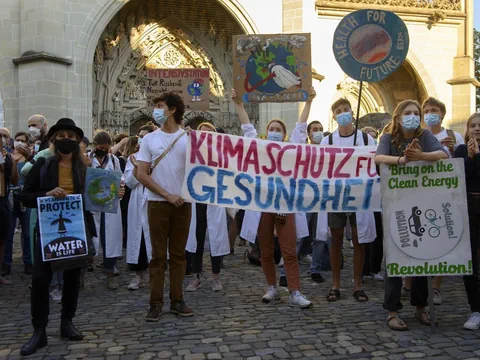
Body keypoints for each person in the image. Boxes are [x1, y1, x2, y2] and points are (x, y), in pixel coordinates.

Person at [233, 88, 313, 309]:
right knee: (266, 250)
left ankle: (295, 291)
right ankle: (272, 287)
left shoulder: (290, 149)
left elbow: (301, 128)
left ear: (284, 135)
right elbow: (247, 129)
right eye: (272, 129)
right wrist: (239, 104)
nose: (275, 132)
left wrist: (309, 102)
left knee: (288, 250)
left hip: (285, 206)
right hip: (262, 206)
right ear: (266, 132)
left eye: (279, 129)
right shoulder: (258, 148)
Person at [19, 118, 93, 355]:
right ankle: (39, 331)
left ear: (77, 141)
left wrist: (114, 192)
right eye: (61, 136)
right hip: (48, 232)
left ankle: (67, 322)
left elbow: (97, 198)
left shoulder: (84, 168)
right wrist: (47, 194)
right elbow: (26, 196)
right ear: (53, 139)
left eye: (70, 137)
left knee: (72, 279)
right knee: (41, 280)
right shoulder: (43, 165)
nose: (66, 140)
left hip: (76, 231)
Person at [375, 100, 448, 331]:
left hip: (420, 202)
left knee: (422, 256)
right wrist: (402, 160)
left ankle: (420, 307)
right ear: (398, 117)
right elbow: (378, 158)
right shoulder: (388, 138)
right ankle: (392, 310)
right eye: (408, 113)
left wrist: (421, 156)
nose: (413, 116)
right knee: (395, 258)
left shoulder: (424, 135)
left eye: (417, 113)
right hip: (396, 205)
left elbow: (443, 154)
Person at [136, 92, 194, 321]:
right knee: (158, 256)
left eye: (160, 106)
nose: (156, 110)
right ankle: (155, 303)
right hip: (158, 204)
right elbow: (141, 173)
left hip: (183, 204)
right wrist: (166, 194)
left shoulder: (189, 138)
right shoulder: (150, 139)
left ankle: (177, 300)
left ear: (171, 110)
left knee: (179, 255)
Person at [319, 98, 376, 303]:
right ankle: (335, 285)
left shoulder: (366, 140)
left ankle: (357, 284)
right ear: (334, 116)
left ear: (352, 112)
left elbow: (373, 164)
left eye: (346, 109)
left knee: (359, 239)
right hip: (337, 196)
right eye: (339, 110)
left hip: (360, 196)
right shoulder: (328, 141)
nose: (343, 113)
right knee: (336, 240)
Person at [423, 97, 465, 304]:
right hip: (420, 192)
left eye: (434, 110)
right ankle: (411, 282)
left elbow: (463, 164)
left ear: (442, 114)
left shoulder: (453, 136)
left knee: (440, 238)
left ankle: (436, 287)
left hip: (444, 193)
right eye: (427, 110)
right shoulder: (419, 135)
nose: (430, 113)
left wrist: (454, 150)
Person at [186, 122, 230, 292]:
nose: (205, 136)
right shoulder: (192, 153)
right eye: (201, 133)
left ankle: (215, 277)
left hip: (214, 200)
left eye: (208, 133)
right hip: (197, 201)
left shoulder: (221, 153)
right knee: (196, 238)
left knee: (216, 239)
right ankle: (196, 276)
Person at [89, 131, 124, 290]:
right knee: (90, 236)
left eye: (104, 147)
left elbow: (120, 178)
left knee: (109, 236)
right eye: (98, 147)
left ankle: (110, 271)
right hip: (92, 203)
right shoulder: (87, 159)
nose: (101, 149)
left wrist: (120, 188)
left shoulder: (114, 160)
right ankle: (82, 272)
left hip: (109, 203)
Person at [454, 112, 480, 330]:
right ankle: (475, 308)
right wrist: (471, 157)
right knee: (470, 259)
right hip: (468, 207)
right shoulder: (461, 150)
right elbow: (460, 176)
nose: (477, 129)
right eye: (473, 125)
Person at [3, 131, 33, 276]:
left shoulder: (29, 158)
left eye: (22, 140)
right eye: (17, 140)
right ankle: (6, 263)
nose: (19, 142)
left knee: (26, 232)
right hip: (10, 196)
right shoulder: (7, 156)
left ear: (27, 143)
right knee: (8, 232)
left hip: (24, 198)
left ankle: (28, 261)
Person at [125, 134, 152, 290]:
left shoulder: (158, 157)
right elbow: (129, 183)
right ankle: (138, 276)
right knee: (139, 237)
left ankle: (156, 276)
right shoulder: (132, 158)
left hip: (154, 199)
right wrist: (136, 167)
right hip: (138, 200)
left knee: (155, 238)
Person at [0, 129, 19, 285]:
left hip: (3, 199)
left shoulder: (7, 157)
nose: (2, 139)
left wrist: (13, 163)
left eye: (4, 136)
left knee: (2, 238)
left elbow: (14, 180)